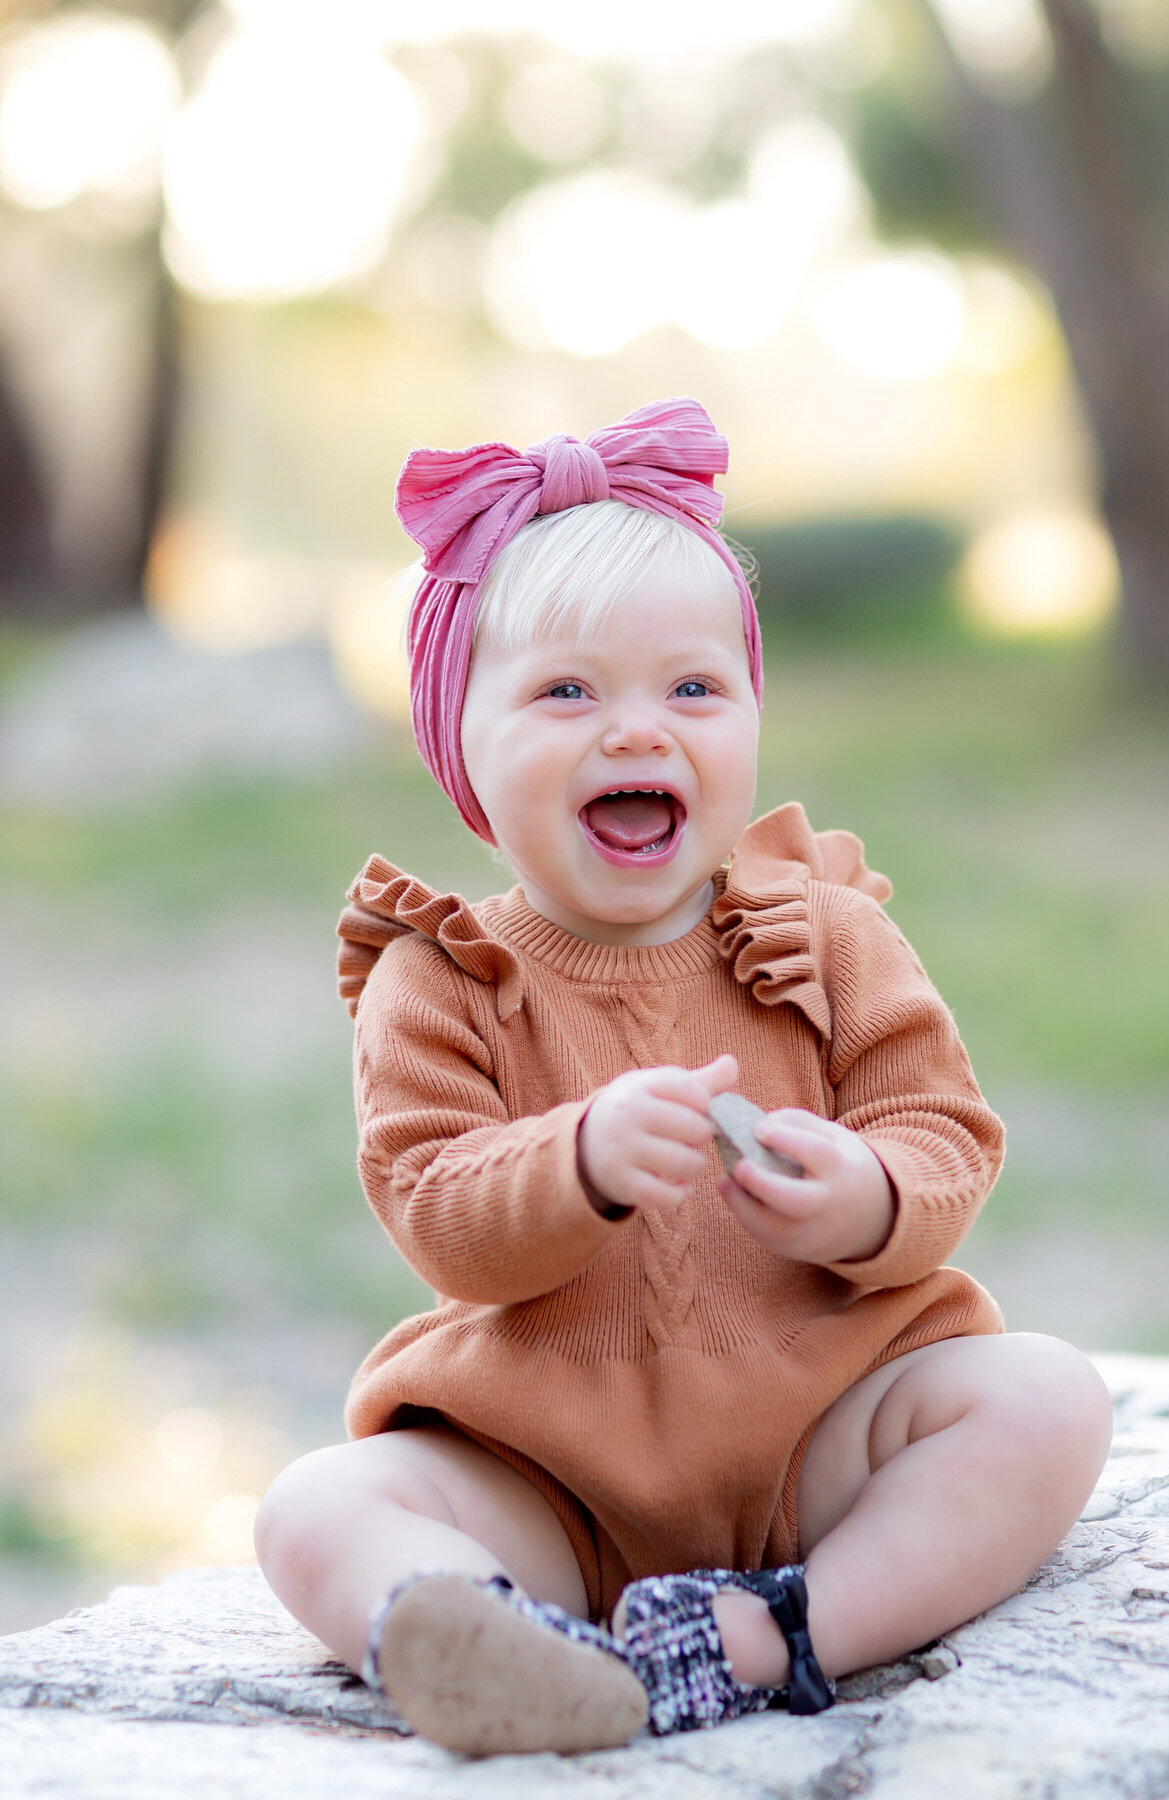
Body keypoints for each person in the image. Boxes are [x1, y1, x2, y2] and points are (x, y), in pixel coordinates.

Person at [254, 397, 1113, 1758]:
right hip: (547, 1469)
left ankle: (771, 1632)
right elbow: (435, 1204)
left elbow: (942, 1124)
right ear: (461, 747)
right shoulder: (444, 978)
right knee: (311, 1504)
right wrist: (576, 1160)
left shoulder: (825, 929)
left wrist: (870, 1193)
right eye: (567, 692)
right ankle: (486, 1636)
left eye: (694, 688)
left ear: (752, 715)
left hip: (822, 1432)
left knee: (1049, 1398)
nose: (639, 732)